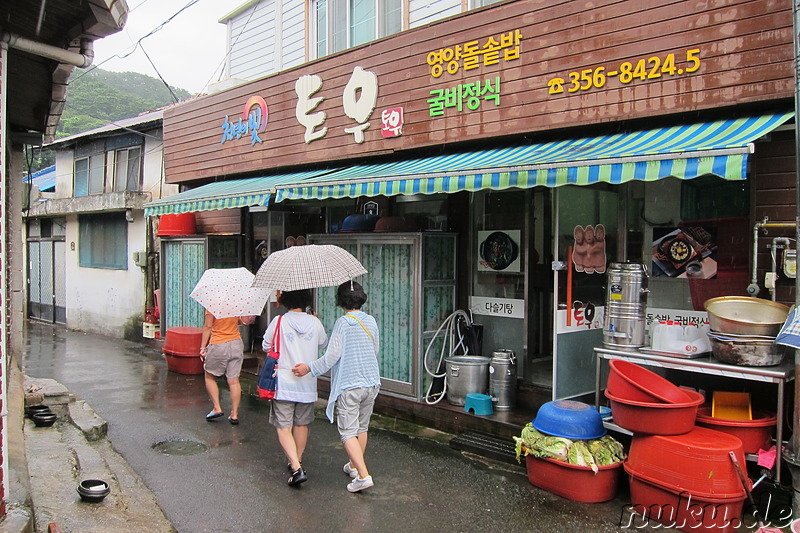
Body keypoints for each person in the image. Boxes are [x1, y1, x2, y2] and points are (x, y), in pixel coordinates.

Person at [292, 281, 380, 493]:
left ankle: (363, 475)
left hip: (351, 384)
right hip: (371, 381)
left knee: (348, 432)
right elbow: (374, 350)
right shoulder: (371, 321)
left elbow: (331, 357)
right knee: (362, 427)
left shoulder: (343, 323)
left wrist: (308, 368)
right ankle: (353, 466)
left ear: (341, 301)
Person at [262, 289, 328, 486]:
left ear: (286, 300)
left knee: (283, 426)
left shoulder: (279, 321)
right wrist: (313, 320)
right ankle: (296, 461)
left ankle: (297, 468)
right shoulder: (314, 322)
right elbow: (323, 343)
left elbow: (267, 345)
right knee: (301, 424)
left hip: (283, 382)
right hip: (307, 383)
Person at [199, 311, 255, 425]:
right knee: (234, 381)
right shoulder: (236, 302)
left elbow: (208, 326)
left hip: (219, 344)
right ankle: (234, 414)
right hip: (236, 343)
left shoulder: (212, 304)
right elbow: (245, 321)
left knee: (209, 376)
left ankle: (217, 408)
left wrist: (202, 347)